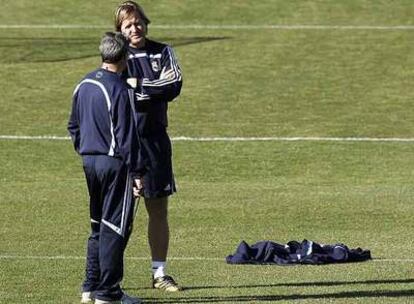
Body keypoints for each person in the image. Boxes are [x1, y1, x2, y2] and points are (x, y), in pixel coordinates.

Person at [68, 32, 145, 304]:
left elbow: (73, 126)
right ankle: (109, 292)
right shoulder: (120, 89)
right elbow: (127, 137)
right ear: (124, 57)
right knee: (115, 226)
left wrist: (86, 150)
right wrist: (138, 173)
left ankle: (90, 286)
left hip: (90, 162)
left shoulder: (84, 83)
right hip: (115, 165)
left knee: (97, 225)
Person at [114, 1, 183, 292]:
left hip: (155, 144)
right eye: (128, 25)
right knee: (120, 215)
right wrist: (150, 87)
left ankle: (159, 274)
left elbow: (174, 84)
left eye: (138, 21)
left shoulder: (162, 51)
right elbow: (114, 89)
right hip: (125, 145)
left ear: (146, 22)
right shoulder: (117, 55)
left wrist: (138, 86)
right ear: (120, 29)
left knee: (158, 210)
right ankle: (110, 279)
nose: (135, 28)